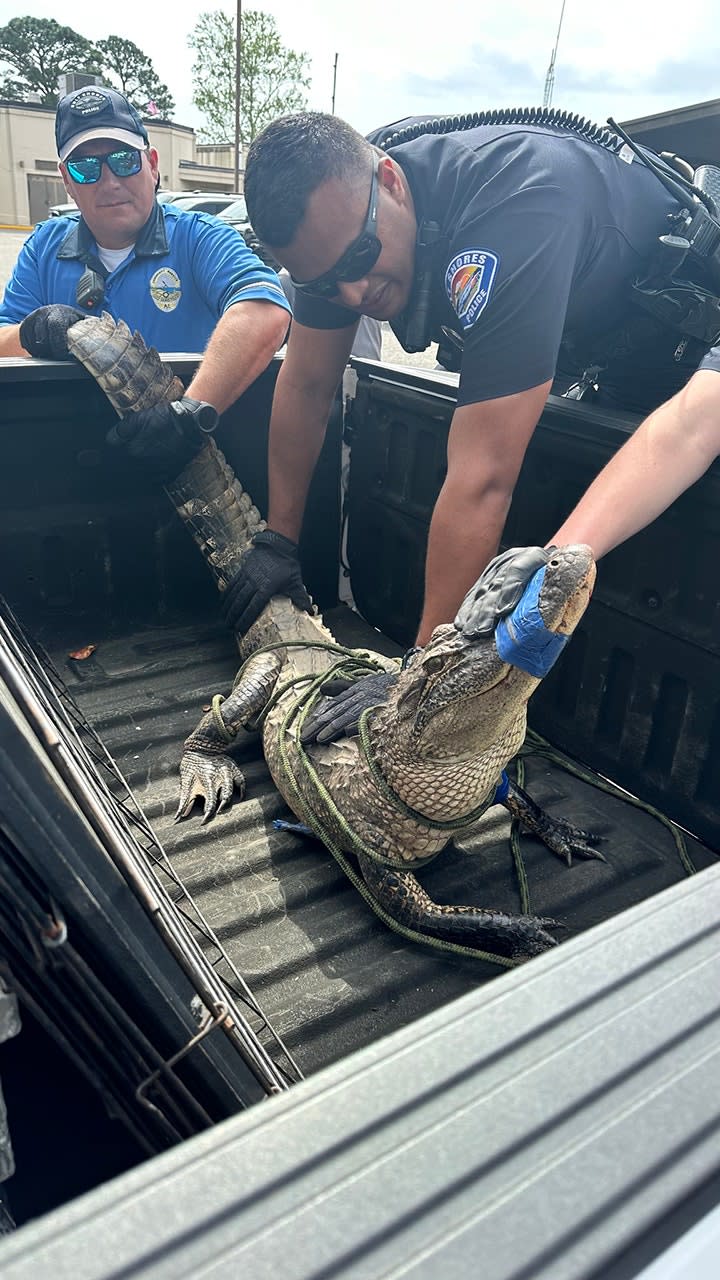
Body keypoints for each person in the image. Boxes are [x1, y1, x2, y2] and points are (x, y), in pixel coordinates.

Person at [215, 108, 720, 740]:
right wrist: (279, 540)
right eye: (324, 282)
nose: (350, 293)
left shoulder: (517, 205)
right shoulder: (340, 223)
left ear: (392, 183)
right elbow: (309, 382)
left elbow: (484, 476)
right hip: (613, 357)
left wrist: (418, 678)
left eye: (360, 261)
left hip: (691, 353)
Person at [0, 85, 291, 479]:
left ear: (152, 164)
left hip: (187, 463)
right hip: (73, 470)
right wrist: (32, 333)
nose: (108, 180)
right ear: (66, 181)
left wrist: (188, 416)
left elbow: (265, 312)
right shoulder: (43, 247)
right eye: (85, 168)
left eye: (123, 160)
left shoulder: (199, 237)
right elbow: (3, 340)